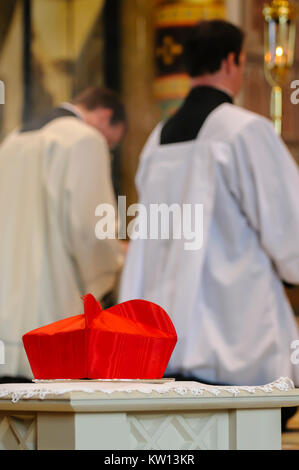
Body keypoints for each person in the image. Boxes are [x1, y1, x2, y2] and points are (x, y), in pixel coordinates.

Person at [119, 20, 299, 428]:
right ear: (233, 61)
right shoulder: (244, 130)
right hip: (237, 344)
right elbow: (289, 226)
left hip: (166, 347)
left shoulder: (158, 138)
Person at [0, 87, 126, 381]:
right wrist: (114, 261)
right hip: (53, 320)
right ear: (106, 117)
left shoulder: (12, 140)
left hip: (6, 328)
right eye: (112, 143)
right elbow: (91, 232)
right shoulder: (83, 140)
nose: (107, 149)